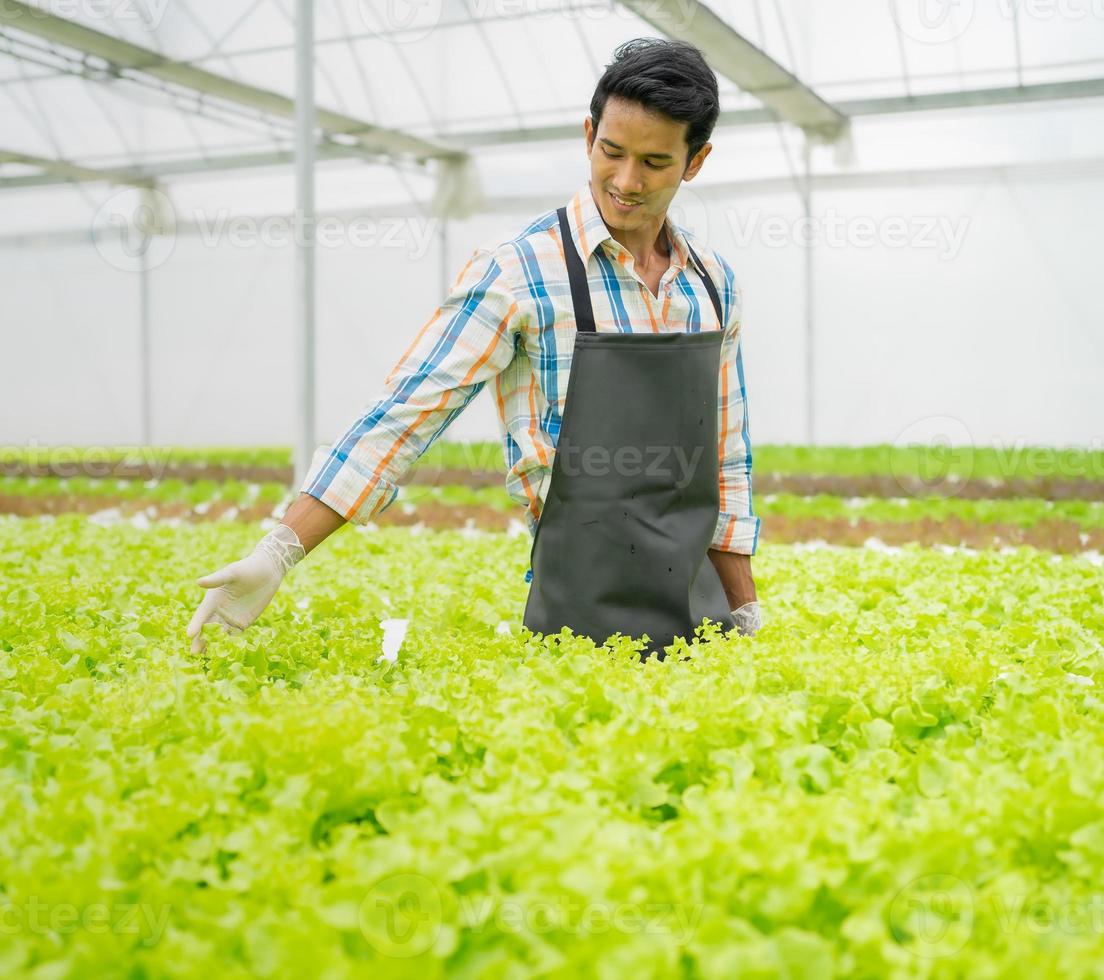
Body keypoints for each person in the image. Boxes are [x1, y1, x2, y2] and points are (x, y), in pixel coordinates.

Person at [187, 38, 762, 658]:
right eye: (611, 152)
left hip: (701, 615)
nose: (625, 181)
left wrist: (745, 608)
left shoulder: (711, 282)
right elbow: (403, 417)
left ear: (695, 161)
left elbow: (725, 460)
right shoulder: (519, 272)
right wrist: (278, 552)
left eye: (654, 163)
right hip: (581, 613)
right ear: (589, 133)